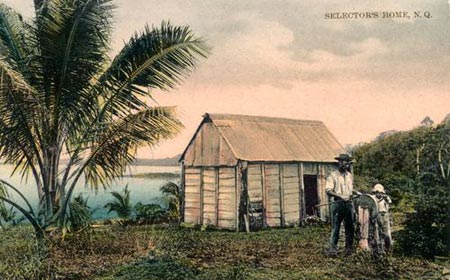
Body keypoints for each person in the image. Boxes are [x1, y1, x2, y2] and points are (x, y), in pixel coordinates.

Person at [326, 153, 356, 256]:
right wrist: (340, 196)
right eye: (343, 162)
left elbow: (351, 190)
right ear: (339, 162)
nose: (345, 164)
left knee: (350, 227)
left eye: (347, 163)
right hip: (337, 204)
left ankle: (349, 250)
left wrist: (355, 193)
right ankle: (333, 250)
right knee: (336, 228)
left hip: (349, 204)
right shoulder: (333, 175)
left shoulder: (349, 176)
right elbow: (329, 190)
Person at [372, 183, 392, 252]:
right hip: (377, 216)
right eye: (377, 192)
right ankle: (378, 250)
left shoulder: (386, 199)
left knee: (387, 234)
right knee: (377, 234)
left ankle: (388, 249)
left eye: (380, 192)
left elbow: (389, 206)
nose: (379, 194)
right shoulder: (373, 199)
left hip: (385, 216)